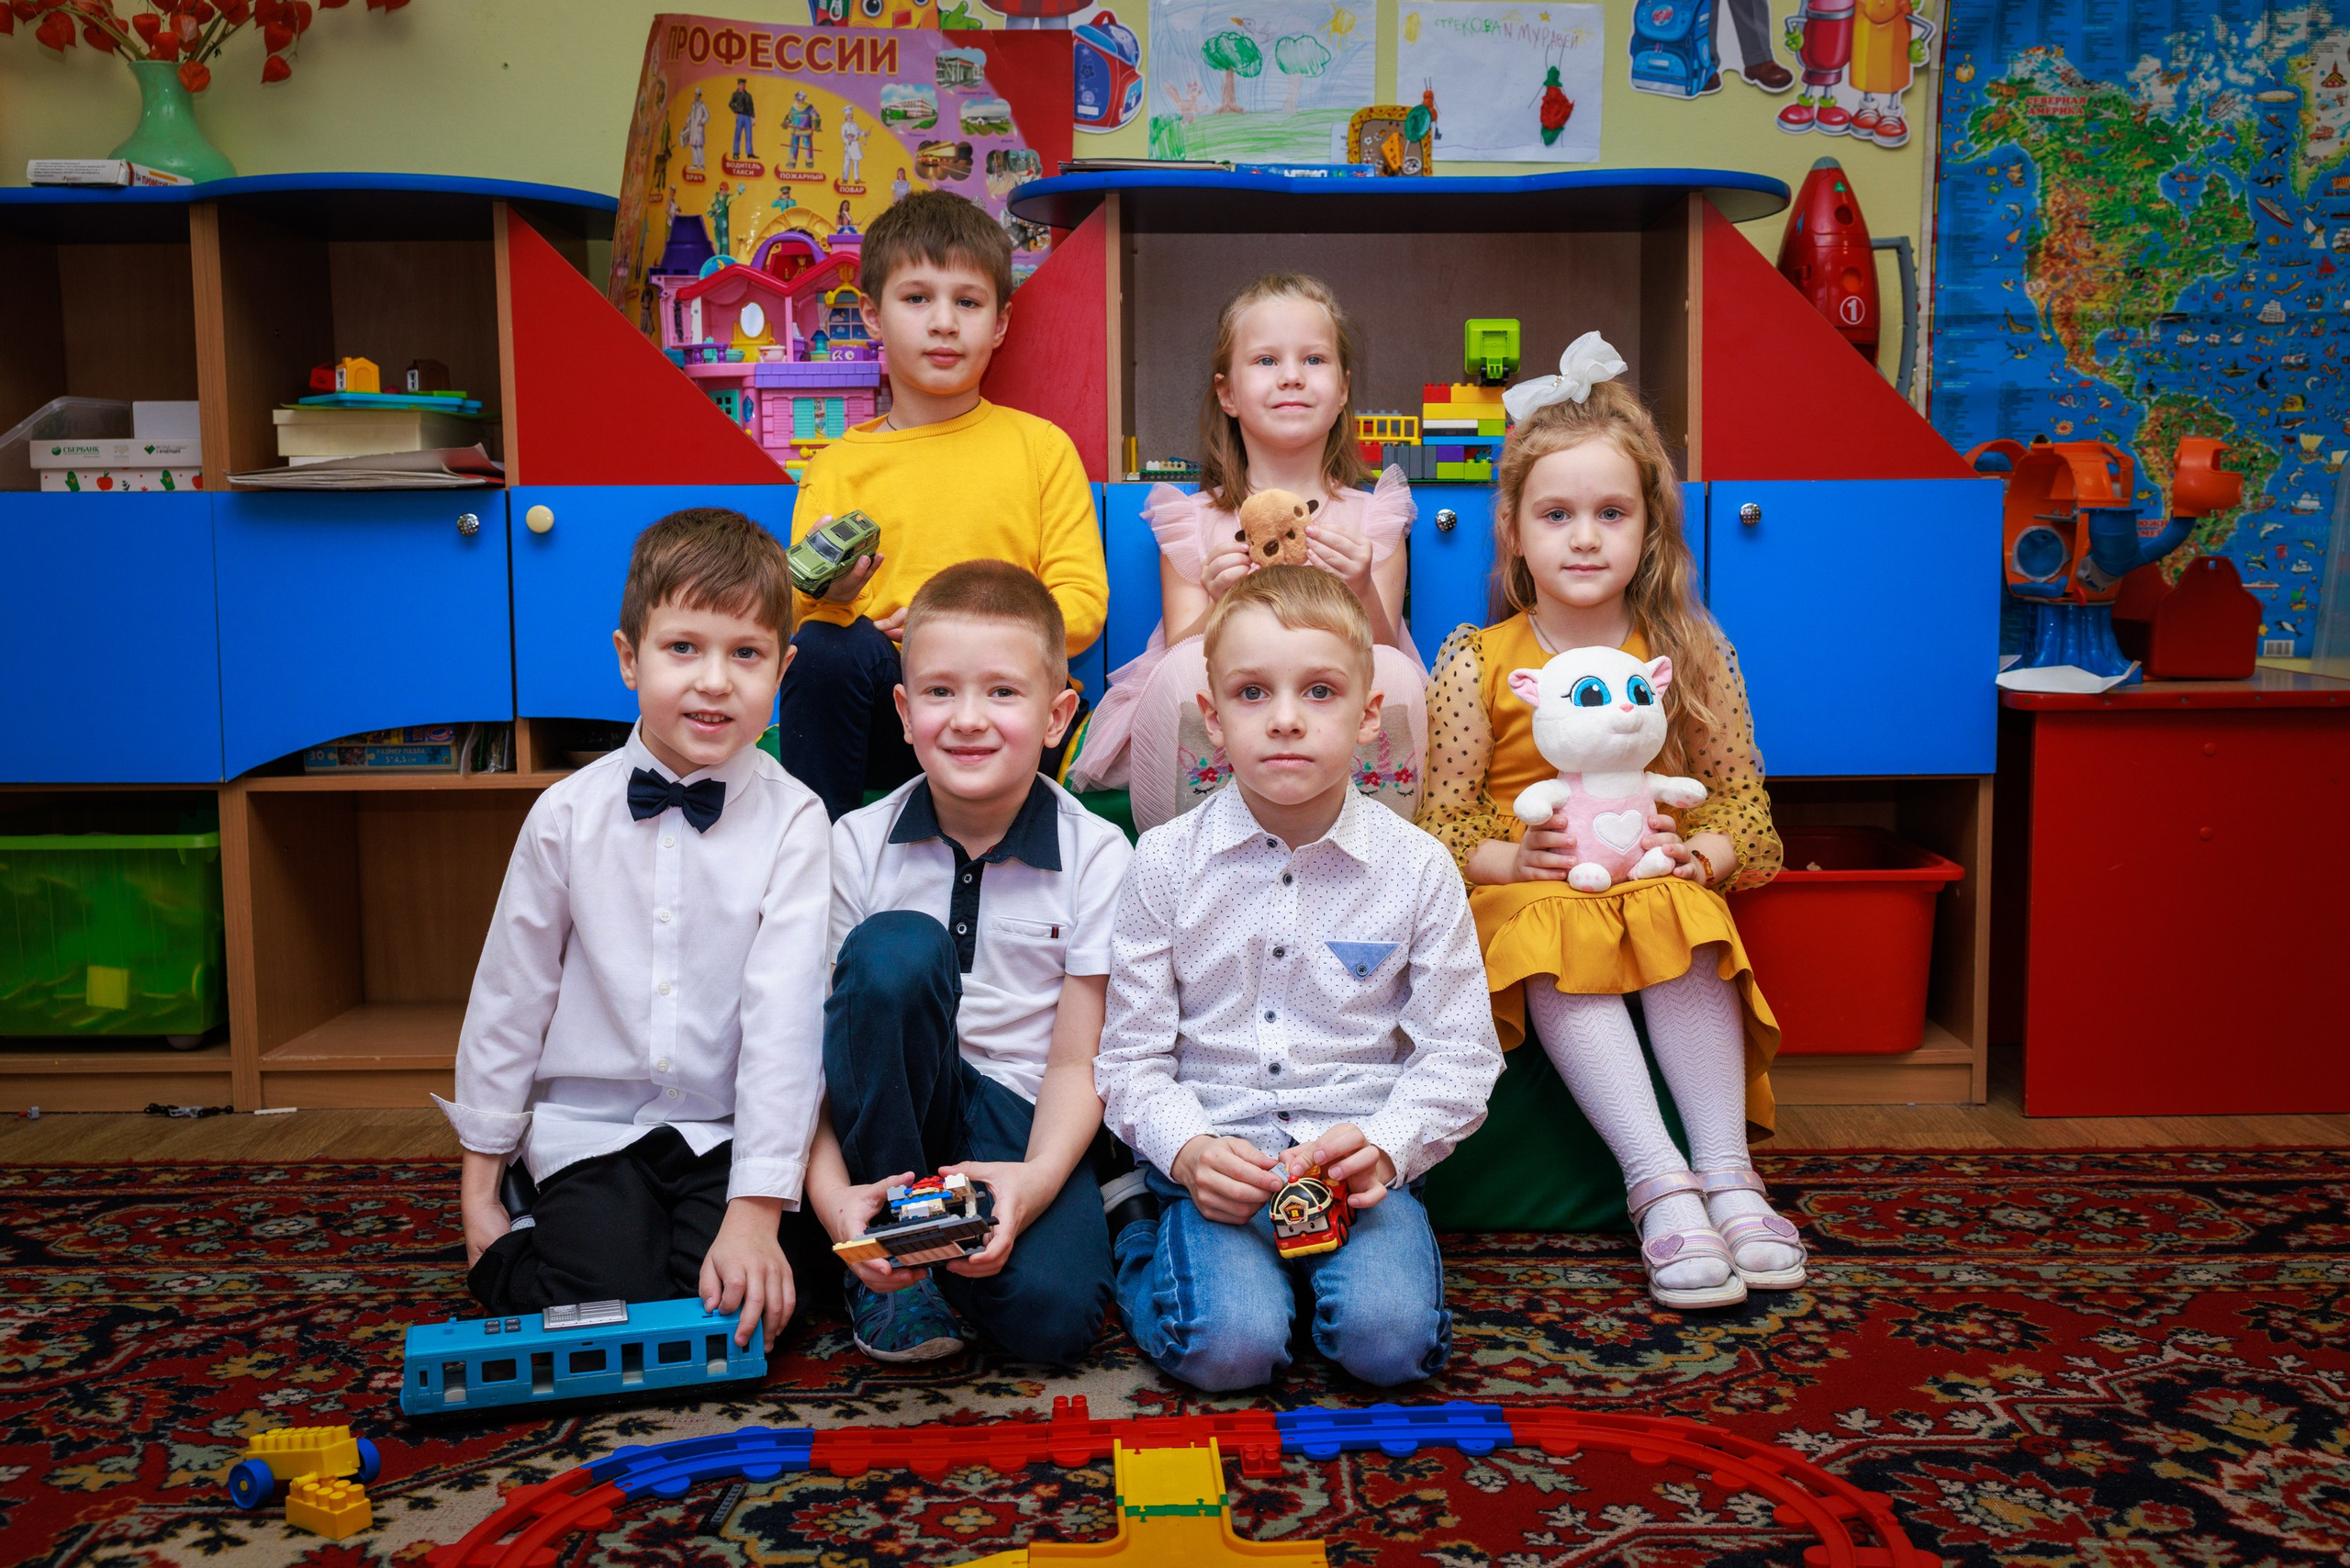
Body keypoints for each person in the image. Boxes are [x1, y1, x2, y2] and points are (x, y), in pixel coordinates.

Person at [1416, 335, 1806, 1311]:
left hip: (1648, 874)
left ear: (1649, 528)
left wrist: (1699, 851)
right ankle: (1658, 1183)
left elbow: (1744, 806)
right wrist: (1514, 853)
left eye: (1610, 513)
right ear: (1512, 529)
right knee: (1556, 927)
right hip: (1534, 892)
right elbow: (1437, 822)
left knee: (1684, 912)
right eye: (1556, 514)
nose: (1583, 536)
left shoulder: (1690, 648)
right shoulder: (1474, 658)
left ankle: (1727, 1175)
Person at [1096, 566, 1502, 1392]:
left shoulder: (1419, 868)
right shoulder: (1165, 864)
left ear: (1366, 718)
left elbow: (1462, 1056)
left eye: (1320, 692)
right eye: (1252, 694)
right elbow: (1129, 1062)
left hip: (1357, 1170)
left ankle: (1315, 1288)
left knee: (1390, 1351)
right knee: (1227, 1352)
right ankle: (1141, 1233)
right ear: (1212, 719)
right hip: (1219, 1163)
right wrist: (1191, 1151)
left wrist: (1387, 1149)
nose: (1285, 720)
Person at [443, 509, 830, 1350]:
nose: (715, 681)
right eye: (683, 648)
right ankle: (527, 1219)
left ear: (781, 671)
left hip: (725, 1133)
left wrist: (757, 1210)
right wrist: (479, 1181)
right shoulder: (565, 816)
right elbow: (511, 995)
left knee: (731, 1305)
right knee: (603, 1296)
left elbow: (786, 1020)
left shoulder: (797, 821)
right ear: (629, 659)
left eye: (747, 654)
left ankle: (759, 1239)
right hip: (591, 1131)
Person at [808, 561, 1134, 1363]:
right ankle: (892, 1257)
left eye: (1003, 693)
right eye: (940, 692)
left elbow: (1074, 1062)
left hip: (1020, 1114)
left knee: (1052, 1324)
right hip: (888, 1112)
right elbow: (803, 1049)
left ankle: (1064, 1211)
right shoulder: (855, 843)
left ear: (1059, 714)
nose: (968, 720)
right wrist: (831, 1200)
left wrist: (1035, 1187)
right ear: (904, 710)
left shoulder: (1098, 855)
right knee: (896, 948)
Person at [777, 189, 1107, 821]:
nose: (944, 322)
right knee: (822, 648)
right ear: (873, 315)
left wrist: (967, 637)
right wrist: (837, 594)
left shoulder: (1040, 448)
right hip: (889, 711)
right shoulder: (836, 465)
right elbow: (797, 614)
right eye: (917, 298)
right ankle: (812, 860)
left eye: (968, 302)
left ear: (1000, 323)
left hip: (1007, 708)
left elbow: (1083, 604)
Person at [1068, 274, 1426, 833]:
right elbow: (1179, 655)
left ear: (1343, 389)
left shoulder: (1373, 517)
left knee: (1392, 673)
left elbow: (1382, 647)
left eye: (1313, 360)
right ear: (1228, 393)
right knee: (1189, 667)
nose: (1290, 377)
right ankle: (1193, 854)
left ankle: (1370, 853)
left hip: (1336, 737)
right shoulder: (1194, 522)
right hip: (1228, 734)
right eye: (1265, 361)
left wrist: (1359, 587)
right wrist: (1218, 599)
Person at [729, 77, 757, 161]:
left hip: (748, 117)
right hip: (740, 116)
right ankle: (736, 153)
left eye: (744, 84)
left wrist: (753, 117)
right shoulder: (735, 94)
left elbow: (751, 106)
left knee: (749, 135)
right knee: (738, 135)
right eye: (741, 84)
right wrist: (735, 111)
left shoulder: (748, 95)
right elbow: (730, 104)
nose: (743, 86)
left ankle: (749, 153)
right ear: (738, 85)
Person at [682, 86, 710, 174]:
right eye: (694, 94)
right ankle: (694, 165)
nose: (695, 96)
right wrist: (687, 123)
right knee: (693, 146)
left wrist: (702, 121)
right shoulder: (693, 104)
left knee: (699, 147)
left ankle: (701, 165)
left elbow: (707, 115)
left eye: (697, 95)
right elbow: (690, 115)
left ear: (699, 96)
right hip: (693, 129)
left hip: (699, 129)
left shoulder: (702, 105)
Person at [839, 104, 867, 185]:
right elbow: (843, 136)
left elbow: (859, 131)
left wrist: (865, 133)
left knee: (856, 162)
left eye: (851, 115)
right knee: (847, 163)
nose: (851, 116)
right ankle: (845, 179)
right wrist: (848, 140)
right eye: (849, 115)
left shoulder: (855, 124)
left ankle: (856, 178)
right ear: (846, 116)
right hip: (849, 146)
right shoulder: (844, 125)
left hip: (855, 145)